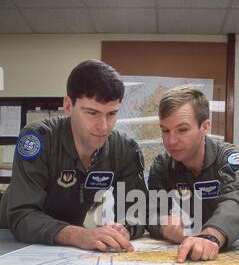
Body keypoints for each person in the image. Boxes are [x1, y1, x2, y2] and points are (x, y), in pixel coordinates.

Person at [0, 60, 147, 252]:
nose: (103, 126)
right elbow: (22, 215)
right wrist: (79, 235)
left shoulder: (125, 149)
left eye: (111, 114)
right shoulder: (38, 139)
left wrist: (124, 228)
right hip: (10, 238)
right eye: (92, 113)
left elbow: (138, 213)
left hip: (66, 245)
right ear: (68, 106)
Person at [148, 85, 239, 262]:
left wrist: (210, 236)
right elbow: (151, 211)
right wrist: (163, 224)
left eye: (182, 129)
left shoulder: (232, 160)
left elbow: (237, 202)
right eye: (165, 130)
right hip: (194, 247)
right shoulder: (162, 166)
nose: (171, 140)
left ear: (205, 127)